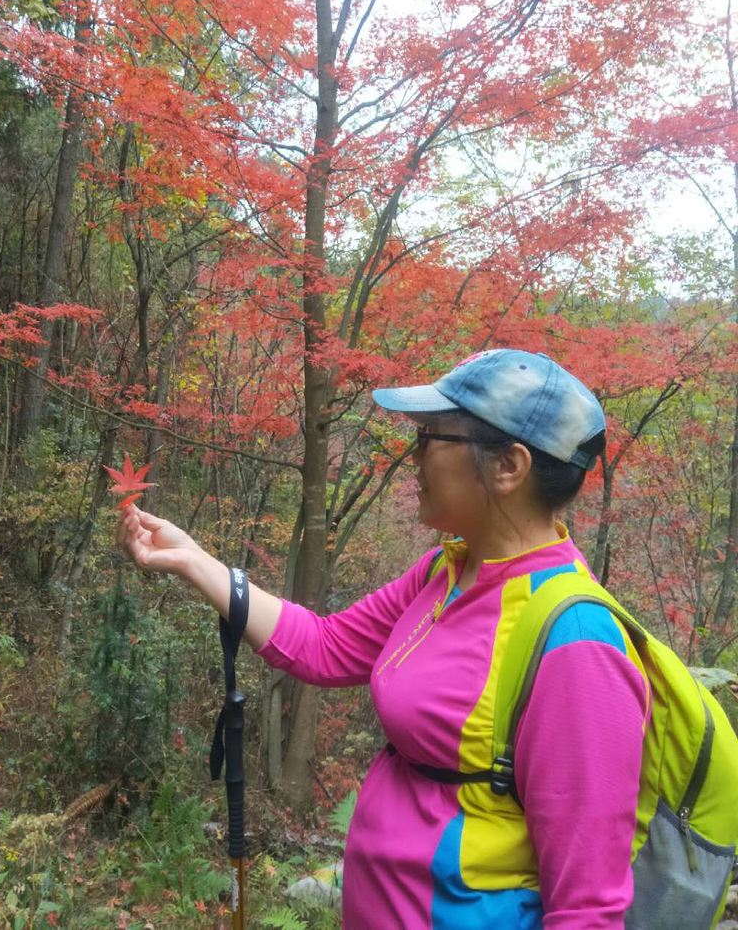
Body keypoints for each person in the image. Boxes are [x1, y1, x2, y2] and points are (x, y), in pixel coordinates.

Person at [117, 348, 650, 929]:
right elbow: (323, 646)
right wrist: (194, 560)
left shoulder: (577, 644)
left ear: (508, 466)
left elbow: (588, 908)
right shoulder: (445, 573)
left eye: (429, 437)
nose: (411, 457)